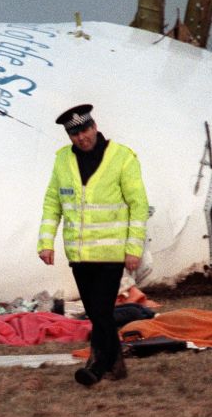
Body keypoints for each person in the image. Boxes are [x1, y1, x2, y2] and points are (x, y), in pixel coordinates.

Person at [38, 104, 149, 386]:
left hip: (111, 254)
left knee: (100, 312)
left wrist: (133, 249)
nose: (81, 138)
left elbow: (138, 206)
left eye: (85, 130)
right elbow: (53, 203)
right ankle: (117, 364)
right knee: (98, 314)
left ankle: (96, 367)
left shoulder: (122, 158)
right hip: (79, 254)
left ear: (94, 126)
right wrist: (45, 242)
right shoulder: (62, 160)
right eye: (74, 134)